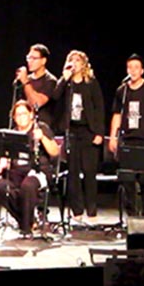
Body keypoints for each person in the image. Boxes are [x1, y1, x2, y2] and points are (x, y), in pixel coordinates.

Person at [108, 54, 144, 218]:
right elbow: (117, 115)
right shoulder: (122, 91)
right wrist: (113, 136)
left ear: (142, 71)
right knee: (127, 180)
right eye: (130, 67)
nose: (133, 70)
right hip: (128, 141)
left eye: (136, 67)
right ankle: (132, 216)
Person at [0, 100, 60, 237]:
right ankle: (27, 220)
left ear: (31, 114)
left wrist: (42, 138)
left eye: (24, 113)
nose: (21, 117)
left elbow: (55, 152)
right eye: (17, 115)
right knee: (1, 185)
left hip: (38, 171)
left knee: (27, 185)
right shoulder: (12, 134)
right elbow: (5, 156)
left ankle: (26, 228)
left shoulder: (41, 128)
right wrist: (2, 164)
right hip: (16, 173)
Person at [53, 50, 105, 224]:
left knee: (89, 172)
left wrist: (99, 132)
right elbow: (55, 96)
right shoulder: (67, 84)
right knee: (73, 173)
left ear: (84, 65)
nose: (74, 63)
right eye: (71, 60)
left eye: (78, 61)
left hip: (88, 132)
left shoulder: (91, 83)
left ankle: (92, 212)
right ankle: (77, 212)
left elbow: (99, 108)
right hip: (72, 132)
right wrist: (64, 77)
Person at [15, 43, 59, 130]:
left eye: (34, 58)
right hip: (24, 126)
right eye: (28, 58)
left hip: (41, 128)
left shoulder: (50, 80)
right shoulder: (27, 79)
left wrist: (25, 82)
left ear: (43, 61)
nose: (30, 61)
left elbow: (36, 104)